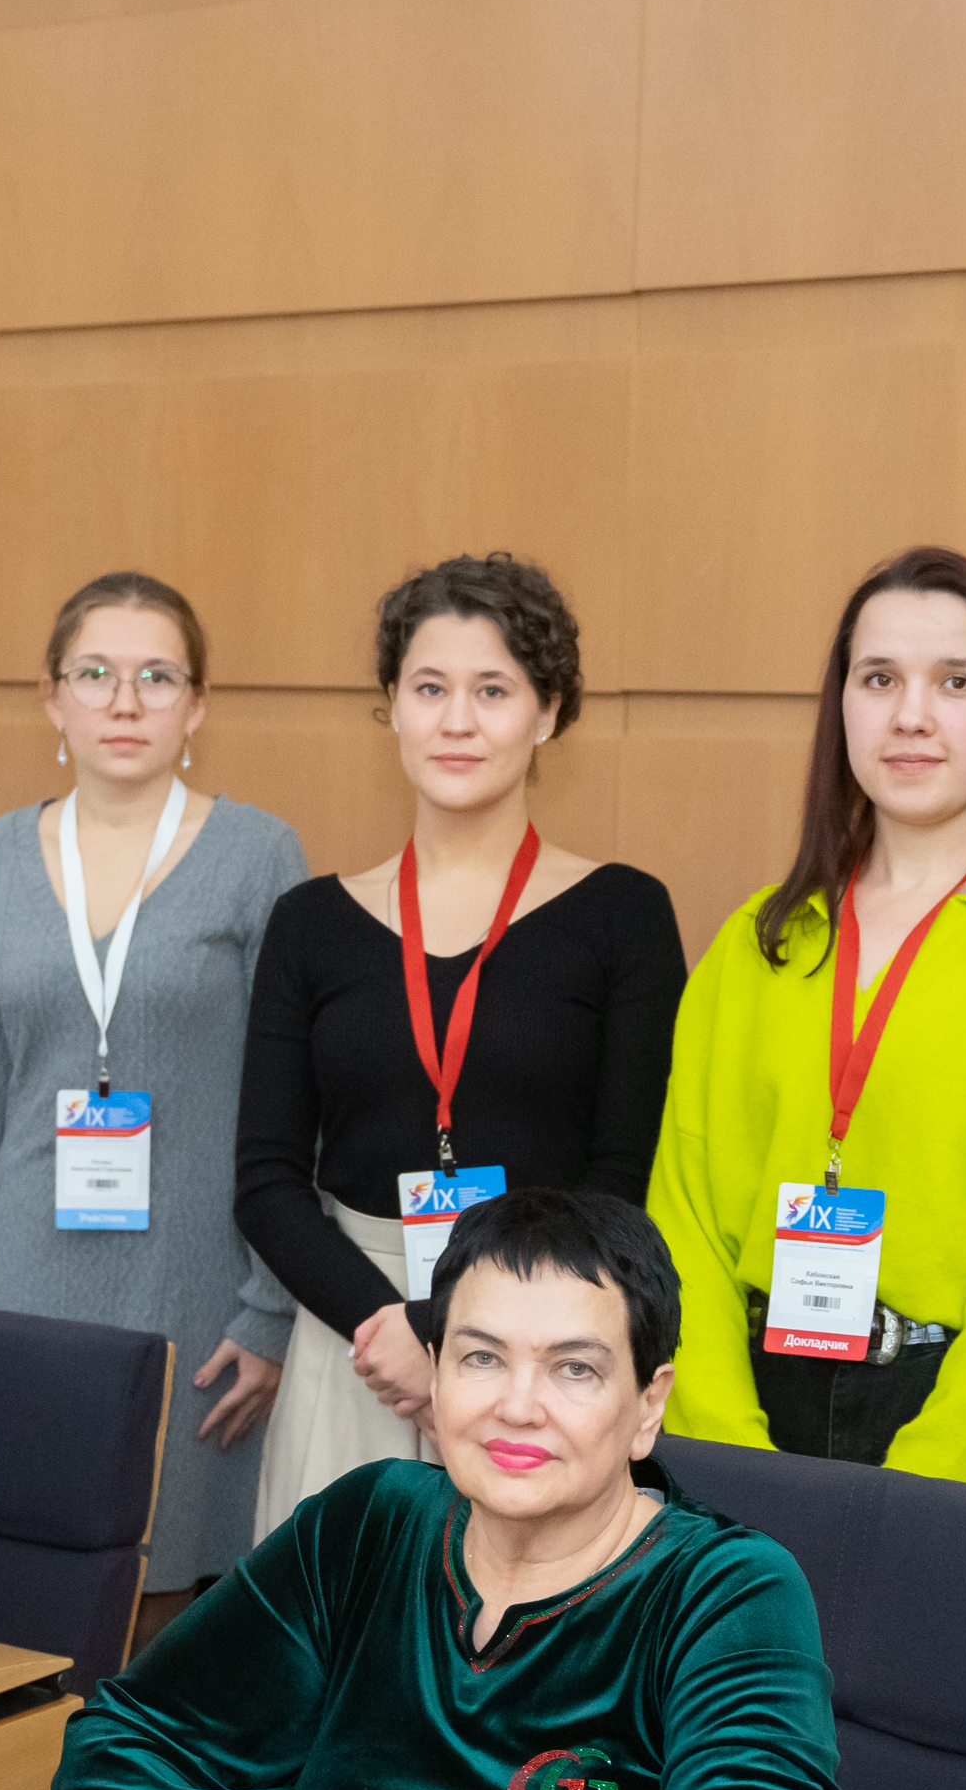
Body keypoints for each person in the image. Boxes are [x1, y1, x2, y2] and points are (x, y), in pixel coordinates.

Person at [53, 1188, 857, 1790]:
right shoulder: (367, 1524)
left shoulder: (722, 1589)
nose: (516, 1405)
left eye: (574, 1368)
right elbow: (136, 1743)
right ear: (433, 1378)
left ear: (648, 1405)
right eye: (481, 1357)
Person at [649, 547, 966, 1485]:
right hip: (754, 1412)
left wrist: (929, 1492)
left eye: (956, 682)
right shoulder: (759, 943)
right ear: (840, 704)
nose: (910, 715)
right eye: (878, 677)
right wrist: (727, 1459)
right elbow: (681, 1220)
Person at [0, 574, 308, 1612]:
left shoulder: (259, 856)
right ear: (52, 700)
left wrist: (271, 1312)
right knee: (22, 1593)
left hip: (200, 1294)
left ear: (196, 707)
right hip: (21, 1289)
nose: (125, 702)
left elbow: (293, 1101)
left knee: (177, 1610)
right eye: (97, 675)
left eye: (156, 677)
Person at [234, 551, 684, 1538]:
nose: (456, 720)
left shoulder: (623, 916)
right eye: (428, 688)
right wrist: (396, 1330)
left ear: (549, 712)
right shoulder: (311, 921)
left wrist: (466, 1337)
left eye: (493, 690)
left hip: (550, 1344)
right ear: (390, 707)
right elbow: (266, 1178)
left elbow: (624, 1167)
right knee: (339, 1658)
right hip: (357, 1342)